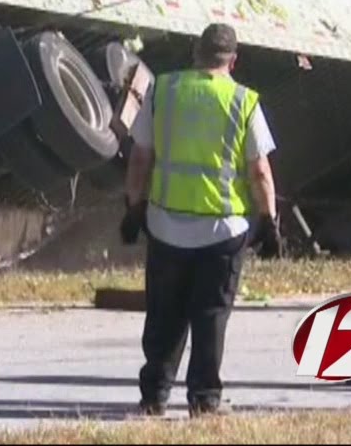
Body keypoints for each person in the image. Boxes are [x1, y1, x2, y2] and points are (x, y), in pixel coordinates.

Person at [121, 23, 279, 417]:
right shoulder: (244, 101)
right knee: (210, 316)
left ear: (195, 51)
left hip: (165, 225)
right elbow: (259, 170)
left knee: (164, 312)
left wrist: (133, 206)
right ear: (234, 59)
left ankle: (154, 395)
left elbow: (140, 156)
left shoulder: (164, 90)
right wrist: (270, 220)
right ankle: (204, 400)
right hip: (222, 231)